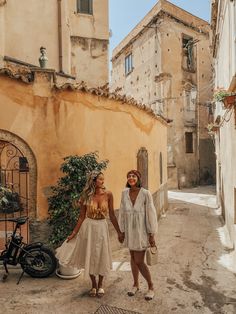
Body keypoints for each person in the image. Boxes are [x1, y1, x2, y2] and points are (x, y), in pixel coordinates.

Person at [56, 170, 124, 297]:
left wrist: (119, 232)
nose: (102, 182)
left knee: (102, 255)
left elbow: (112, 215)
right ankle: (93, 284)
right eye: (100, 179)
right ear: (93, 181)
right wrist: (74, 233)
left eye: (103, 179)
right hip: (89, 227)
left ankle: (101, 284)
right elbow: (81, 217)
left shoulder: (108, 194)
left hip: (102, 227)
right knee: (91, 256)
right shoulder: (86, 196)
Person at [118, 170, 158, 301]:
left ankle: (151, 286)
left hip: (142, 231)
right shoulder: (124, 193)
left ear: (138, 178)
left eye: (133, 176)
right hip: (130, 231)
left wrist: (151, 234)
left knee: (139, 261)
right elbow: (122, 212)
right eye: (129, 176)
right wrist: (121, 231)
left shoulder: (145, 194)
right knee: (132, 257)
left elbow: (151, 213)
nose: (131, 178)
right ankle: (135, 284)